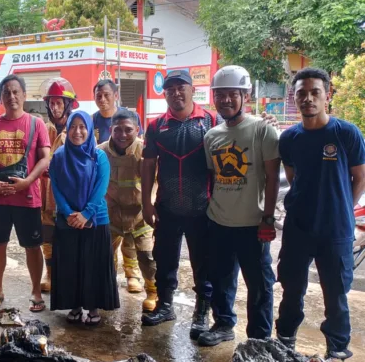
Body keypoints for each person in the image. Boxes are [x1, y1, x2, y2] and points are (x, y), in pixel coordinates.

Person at [275, 68, 365, 360]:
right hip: (298, 227)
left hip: (335, 230)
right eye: (302, 93)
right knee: (291, 288)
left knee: (336, 294)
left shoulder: (346, 133)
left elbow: (360, 178)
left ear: (327, 95)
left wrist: (344, 210)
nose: (308, 98)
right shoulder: (289, 138)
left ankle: (337, 349)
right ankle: (285, 340)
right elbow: (293, 176)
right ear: (295, 96)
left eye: (315, 92)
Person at [198, 65, 280, 347]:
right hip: (219, 220)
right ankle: (223, 324)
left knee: (259, 285)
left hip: (252, 224)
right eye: (220, 95)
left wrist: (267, 218)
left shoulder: (262, 130)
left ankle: (259, 339)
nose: (226, 100)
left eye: (233, 94)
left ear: (245, 95)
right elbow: (214, 177)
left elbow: (272, 178)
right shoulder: (211, 136)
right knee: (221, 280)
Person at [140, 70, 217, 338]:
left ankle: (202, 312)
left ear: (192, 89)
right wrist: (146, 203)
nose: (176, 93)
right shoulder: (156, 125)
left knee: (204, 262)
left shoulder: (210, 120)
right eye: (170, 89)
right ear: (165, 94)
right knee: (164, 259)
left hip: (202, 207)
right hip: (168, 206)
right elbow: (148, 165)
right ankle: (165, 305)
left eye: (181, 87)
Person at [0, 74, 51, 312]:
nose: (11, 96)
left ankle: (36, 292)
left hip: (28, 198)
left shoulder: (36, 124)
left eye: (15, 92)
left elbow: (45, 158)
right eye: (6, 93)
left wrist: (28, 182)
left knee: (32, 246)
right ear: (1, 97)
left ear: (24, 95)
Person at [50, 110, 119, 325]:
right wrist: (68, 212)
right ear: (67, 129)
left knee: (93, 264)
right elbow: (56, 186)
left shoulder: (99, 157)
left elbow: (101, 188)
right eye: (73, 127)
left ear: (89, 130)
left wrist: (86, 214)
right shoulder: (59, 155)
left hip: (95, 219)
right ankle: (75, 306)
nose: (77, 131)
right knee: (71, 264)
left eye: (82, 127)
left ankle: (93, 307)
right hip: (68, 218)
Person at [98, 111, 157, 311]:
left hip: (140, 215)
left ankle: (152, 293)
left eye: (128, 130)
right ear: (110, 130)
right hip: (111, 214)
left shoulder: (145, 152)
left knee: (148, 256)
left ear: (137, 130)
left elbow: (157, 181)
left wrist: (152, 207)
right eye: (118, 130)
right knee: (105, 254)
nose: (123, 135)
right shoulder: (100, 152)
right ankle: (107, 290)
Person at [38, 77, 78, 292]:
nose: (54, 107)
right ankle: (51, 273)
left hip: (69, 195)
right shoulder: (44, 129)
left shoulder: (76, 129)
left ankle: (69, 276)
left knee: (70, 236)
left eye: (59, 103)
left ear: (68, 105)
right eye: (51, 103)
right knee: (48, 235)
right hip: (46, 195)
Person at [92, 79, 143, 143]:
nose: (102, 99)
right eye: (99, 96)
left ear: (116, 96)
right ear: (94, 98)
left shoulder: (131, 116)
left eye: (106, 95)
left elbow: (139, 145)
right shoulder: (91, 120)